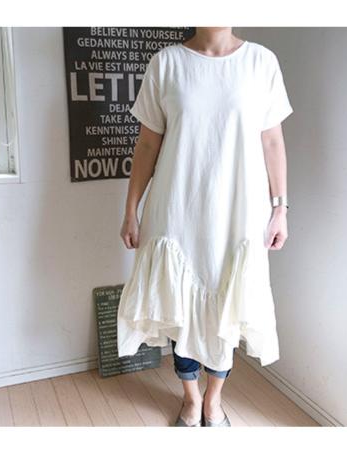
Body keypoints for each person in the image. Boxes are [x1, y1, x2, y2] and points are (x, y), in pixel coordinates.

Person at [117, 27, 293, 427]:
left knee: (226, 310)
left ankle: (214, 399)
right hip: (177, 207)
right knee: (179, 307)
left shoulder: (261, 62)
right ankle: (191, 398)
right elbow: (147, 144)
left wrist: (280, 208)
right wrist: (131, 210)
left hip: (238, 210)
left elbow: (272, 142)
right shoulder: (166, 64)